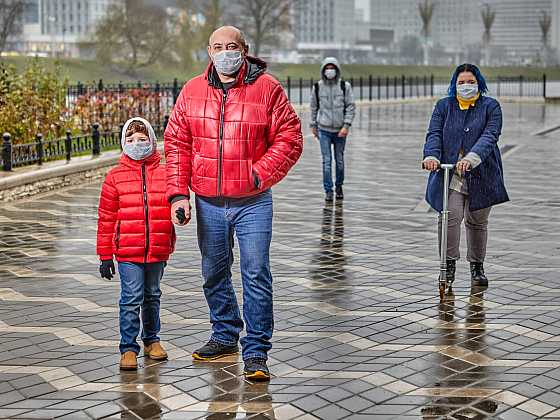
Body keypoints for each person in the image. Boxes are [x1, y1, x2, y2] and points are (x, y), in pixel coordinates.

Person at [164, 25, 303, 381]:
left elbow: (289, 137)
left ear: (244, 49)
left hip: (253, 202)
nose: (225, 52)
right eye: (217, 46)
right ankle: (225, 334)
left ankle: (256, 350)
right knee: (213, 272)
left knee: (255, 272)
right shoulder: (192, 91)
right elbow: (176, 144)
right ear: (208, 52)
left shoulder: (267, 88)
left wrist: (260, 173)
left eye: (231, 46)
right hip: (208, 201)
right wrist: (178, 194)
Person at [97, 117, 176, 370]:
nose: (136, 144)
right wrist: (105, 255)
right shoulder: (115, 177)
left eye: (142, 139)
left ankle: (152, 341)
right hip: (128, 251)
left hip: (157, 247)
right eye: (130, 140)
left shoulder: (165, 173)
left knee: (152, 296)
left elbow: (177, 203)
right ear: (123, 144)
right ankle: (128, 347)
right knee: (131, 298)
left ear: (152, 141)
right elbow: (106, 217)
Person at [422, 63, 509, 287]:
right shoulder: (444, 106)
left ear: (479, 83)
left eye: (471, 82)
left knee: (477, 221)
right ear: (454, 85)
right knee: (450, 217)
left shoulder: (491, 107)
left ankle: (477, 266)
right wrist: (431, 156)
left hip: (482, 173)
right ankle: (448, 263)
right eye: (461, 82)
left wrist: (471, 158)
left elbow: (490, 136)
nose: (466, 86)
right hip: (451, 174)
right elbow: (434, 133)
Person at [310, 57, 356, 202]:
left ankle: (339, 186)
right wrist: (313, 125)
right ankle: (328, 190)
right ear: (323, 70)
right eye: (327, 68)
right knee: (327, 162)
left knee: (340, 161)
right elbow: (313, 107)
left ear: (337, 70)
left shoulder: (344, 86)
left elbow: (351, 106)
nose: (330, 71)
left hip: (340, 131)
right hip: (323, 130)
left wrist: (346, 126)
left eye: (332, 68)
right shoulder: (317, 87)